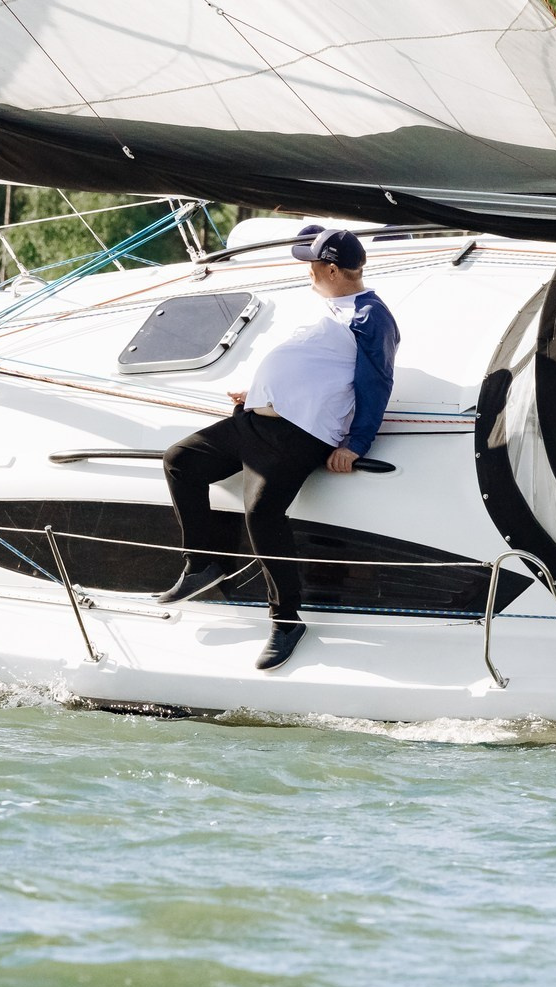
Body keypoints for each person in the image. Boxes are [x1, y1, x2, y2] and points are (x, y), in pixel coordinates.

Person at [159, 225, 399, 670]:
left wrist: (357, 443)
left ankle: (286, 620)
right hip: (256, 421)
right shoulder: (332, 305)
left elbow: (377, 381)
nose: (307, 270)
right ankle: (202, 565)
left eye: (311, 264)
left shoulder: (369, 315)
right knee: (181, 460)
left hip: (299, 435)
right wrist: (257, 394)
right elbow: (316, 367)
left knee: (262, 514)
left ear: (330, 268)